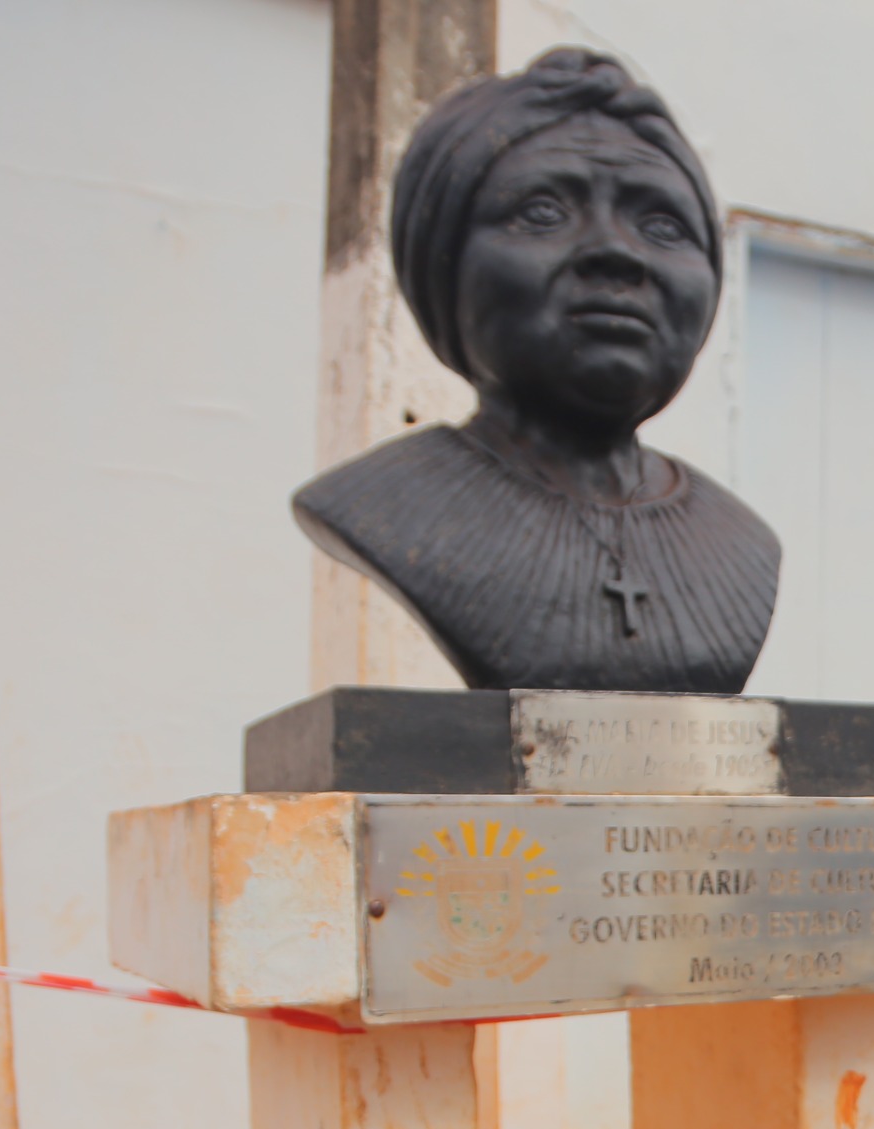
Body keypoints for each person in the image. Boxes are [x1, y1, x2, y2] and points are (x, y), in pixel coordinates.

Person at [295, 48, 781, 694]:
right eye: (543, 212)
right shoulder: (377, 507)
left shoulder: (742, 542)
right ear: (444, 266)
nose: (616, 252)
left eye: (663, 225)